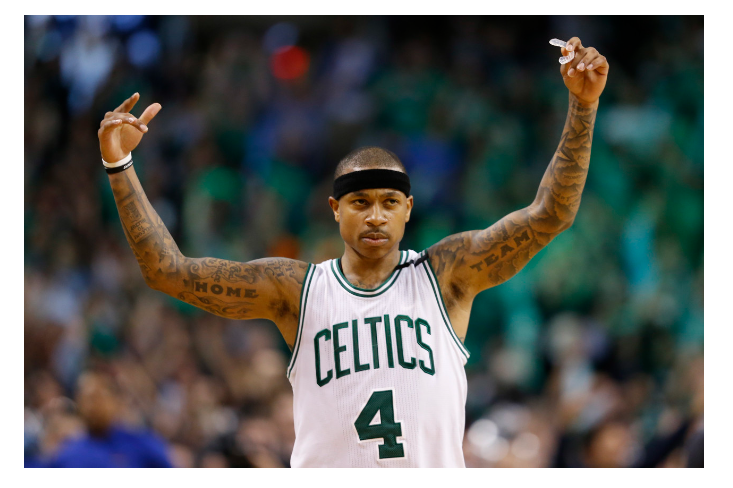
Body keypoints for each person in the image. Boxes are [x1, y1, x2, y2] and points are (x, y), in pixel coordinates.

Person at [97, 37, 608, 468]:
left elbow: (551, 214)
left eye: (389, 203)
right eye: (360, 203)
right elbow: (168, 273)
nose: (376, 216)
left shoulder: (446, 274)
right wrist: (120, 167)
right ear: (335, 210)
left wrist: (583, 108)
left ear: (408, 210)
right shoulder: (296, 289)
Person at [43, 372, 173, 468]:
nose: (93, 406)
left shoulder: (140, 444)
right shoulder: (67, 455)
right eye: (87, 400)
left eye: (98, 398)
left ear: (116, 401)